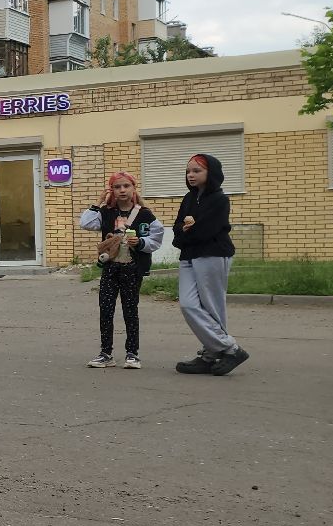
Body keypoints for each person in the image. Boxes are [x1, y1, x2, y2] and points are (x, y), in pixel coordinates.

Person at [78, 172, 165, 371]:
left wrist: (141, 242)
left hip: (132, 269)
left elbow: (157, 238)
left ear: (133, 188)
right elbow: (85, 223)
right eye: (117, 187)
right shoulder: (107, 212)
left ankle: (132, 353)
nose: (122, 190)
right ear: (112, 191)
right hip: (110, 268)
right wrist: (98, 203)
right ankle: (106, 353)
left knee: (130, 310)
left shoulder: (144, 214)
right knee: (106, 310)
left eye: (126, 186)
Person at [172, 153, 248, 376]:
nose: (191, 175)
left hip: (213, 255)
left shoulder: (219, 200)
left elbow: (206, 231)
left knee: (212, 307)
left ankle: (211, 354)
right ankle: (230, 349)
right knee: (188, 305)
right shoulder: (188, 198)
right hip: (188, 256)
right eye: (188, 171)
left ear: (210, 173)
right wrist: (185, 232)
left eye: (197, 171)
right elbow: (177, 228)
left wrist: (186, 233)